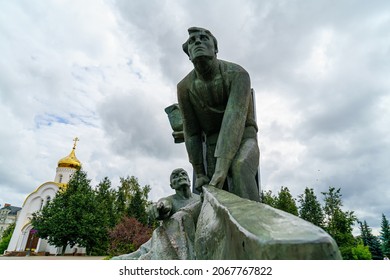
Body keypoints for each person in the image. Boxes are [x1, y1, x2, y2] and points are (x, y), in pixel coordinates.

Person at [177, 27, 260, 202]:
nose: (197, 42)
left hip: (244, 136)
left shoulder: (237, 74)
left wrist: (221, 169)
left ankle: (255, 225)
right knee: (214, 196)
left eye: (203, 38)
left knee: (239, 169)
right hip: (212, 143)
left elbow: (234, 119)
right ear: (189, 55)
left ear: (215, 49)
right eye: (192, 41)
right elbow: (191, 131)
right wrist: (199, 172)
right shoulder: (184, 87)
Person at [112, 168, 200, 260]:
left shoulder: (201, 199)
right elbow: (164, 205)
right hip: (171, 241)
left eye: (183, 174)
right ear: (171, 186)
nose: (181, 176)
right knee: (148, 247)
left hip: (195, 240)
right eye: (175, 176)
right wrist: (159, 207)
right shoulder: (170, 200)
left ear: (189, 181)